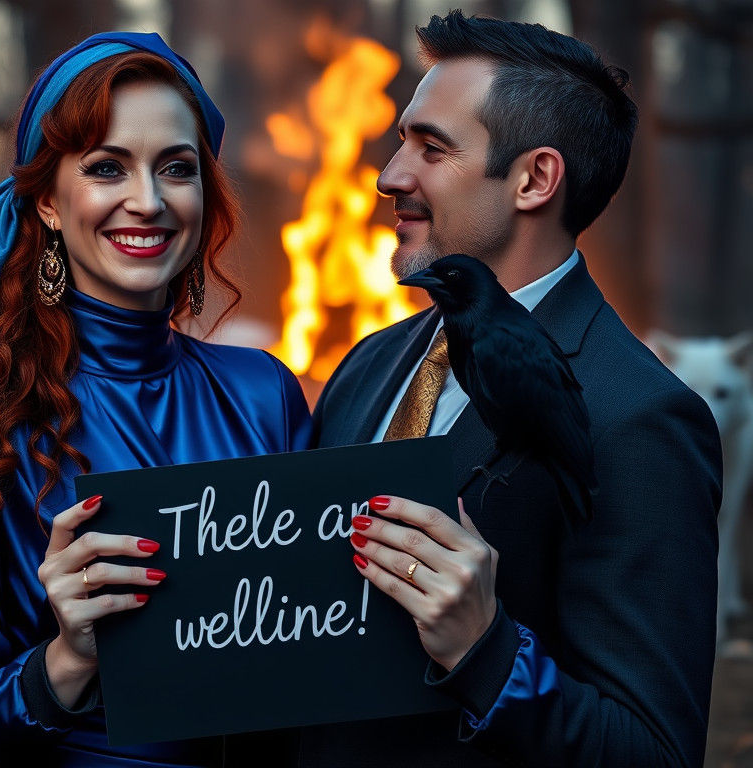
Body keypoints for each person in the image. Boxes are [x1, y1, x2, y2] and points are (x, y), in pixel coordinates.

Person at [0, 32, 310, 767]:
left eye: (177, 168)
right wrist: (65, 661)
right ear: (49, 205)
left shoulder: (266, 394)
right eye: (107, 167)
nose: (149, 200)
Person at [302, 11, 720, 767]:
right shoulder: (369, 363)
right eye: (401, 142)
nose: (390, 175)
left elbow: (653, 752)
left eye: (431, 148)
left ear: (535, 179)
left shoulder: (640, 418)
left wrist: (486, 652)